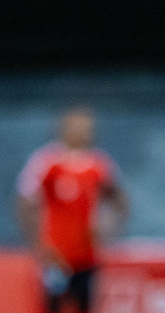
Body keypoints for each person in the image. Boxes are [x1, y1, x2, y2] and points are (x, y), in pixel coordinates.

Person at [16, 108, 128, 313]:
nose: (84, 132)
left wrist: (107, 228)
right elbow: (24, 202)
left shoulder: (99, 164)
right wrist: (37, 243)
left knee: (84, 305)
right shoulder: (46, 161)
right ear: (63, 127)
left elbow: (120, 202)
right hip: (55, 256)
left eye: (88, 127)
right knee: (52, 306)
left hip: (87, 256)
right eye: (78, 127)